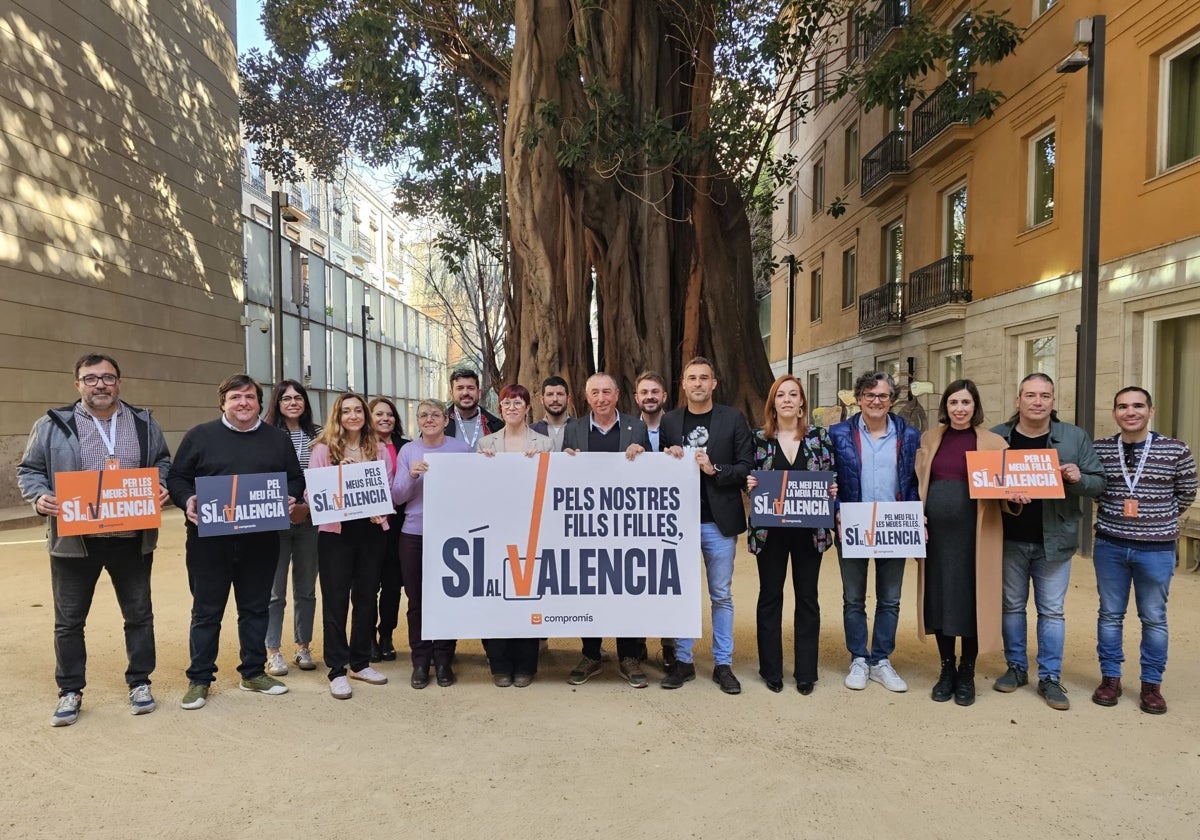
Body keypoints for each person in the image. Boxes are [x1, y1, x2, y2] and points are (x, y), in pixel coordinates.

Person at [18, 353, 171, 726]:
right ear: (78, 385)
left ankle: (140, 682)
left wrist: (162, 485)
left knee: (138, 614)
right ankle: (70, 690)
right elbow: (29, 469)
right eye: (91, 378)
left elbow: (163, 461)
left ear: (119, 382)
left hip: (131, 537)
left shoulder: (143, 422)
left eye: (107, 377)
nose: (99, 384)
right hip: (75, 540)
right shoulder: (52, 424)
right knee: (69, 621)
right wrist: (39, 497)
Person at [167, 374, 304, 710]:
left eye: (250, 397)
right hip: (209, 541)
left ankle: (253, 672)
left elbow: (295, 476)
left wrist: (290, 496)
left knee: (255, 608)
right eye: (235, 397)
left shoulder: (277, 439)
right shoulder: (200, 436)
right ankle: (199, 679)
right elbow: (177, 477)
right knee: (206, 611)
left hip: (260, 539)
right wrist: (187, 500)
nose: (243, 403)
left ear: (259, 403)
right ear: (223, 403)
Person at [990, 372, 1104, 711]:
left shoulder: (1074, 437)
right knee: (1011, 606)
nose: (1037, 402)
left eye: (1044, 396)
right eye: (1030, 395)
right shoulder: (997, 437)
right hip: (1010, 538)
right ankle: (1016, 668)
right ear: (1018, 400)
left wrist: (1078, 478)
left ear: (1053, 401)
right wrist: (1003, 493)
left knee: (1052, 611)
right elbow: (979, 482)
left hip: (1055, 540)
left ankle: (1050, 677)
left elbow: (1099, 483)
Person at [1090, 387, 1195, 714]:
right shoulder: (1101, 450)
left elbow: (1187, 492)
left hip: (1156, 549)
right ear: (1114, 413)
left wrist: (1156, 518)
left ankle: (1152, 684)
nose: (1130, 411)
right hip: (1110, 545)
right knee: (1109, 614)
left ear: (1151, 410)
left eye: (1137, 405)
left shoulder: (1175, 449)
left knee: (1153, 617)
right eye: (1122, 406)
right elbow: (1097, 491)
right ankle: (1111, 678)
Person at [660, 357, 754, 695]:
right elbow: (654, 469)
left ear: (714, 383)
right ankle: (683, 661)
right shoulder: (670, 422)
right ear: (683, 385)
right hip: (679, 523)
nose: (698, 383)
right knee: (682, 593)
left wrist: (715, 471)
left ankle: (723, 664)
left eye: (704, 378)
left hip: (719, 521)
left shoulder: (732, 419)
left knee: (720, 595)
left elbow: (746, 466)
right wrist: (666, 458)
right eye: (691, 378)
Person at [914, 380, 1008, 706]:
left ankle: (966, 671)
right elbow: (916, 484)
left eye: (966, 402)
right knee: (939, 598)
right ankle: (946, 669)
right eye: (954, 402)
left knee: (970, 599)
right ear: (946, 405)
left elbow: (1006, 489)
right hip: (935, 537)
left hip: (975, 535)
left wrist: (1015, 495)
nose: (959, 408)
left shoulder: (995, 443)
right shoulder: (929, 439)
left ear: (975, 406)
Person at [828, 371, 921, 694]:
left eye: (882, 396)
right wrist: (835, 511)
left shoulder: (909, 435)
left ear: (891, 400)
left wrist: (915, 514)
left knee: (890, 599)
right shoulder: (838, 434)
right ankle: (858, 657)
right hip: (853, 524)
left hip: (893, 526)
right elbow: (829, 479)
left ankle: (881, 659)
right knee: (853, 598)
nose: (876, 401)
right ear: (858, 399)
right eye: (869, 395)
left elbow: (915, 481)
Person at [745, 375, 836, 695]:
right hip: (771, 531)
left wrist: (832, 489)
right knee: (770, 597)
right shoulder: (758, 439)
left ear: (801, 402)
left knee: (807, 598)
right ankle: (771, 669)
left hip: (809, 531)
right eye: (780, 394)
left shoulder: (819, 438)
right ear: (773, 403)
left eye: (793, 394)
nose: (786, 399)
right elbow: (747, 473)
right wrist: (750, 484)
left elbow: (829, 475)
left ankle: (806, 672)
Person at [561, 372, 652, 688]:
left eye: (606, 392)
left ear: (617, 395)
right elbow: (563, 478)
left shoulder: (635, 426)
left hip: (627, 526)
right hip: (587, 525)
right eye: (594, 392)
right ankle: (591, 653)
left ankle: (629, 656)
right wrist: (566, 459)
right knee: (588, 588)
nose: (601, 398)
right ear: (587, 398)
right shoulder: (573, 429)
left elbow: (653, 473)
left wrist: (643, 456)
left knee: (626, 587)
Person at [309, 393, 392, 699]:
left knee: (367, 596)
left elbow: (387, 488)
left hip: (371, 531)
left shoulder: (379, 448)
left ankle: (360, 661)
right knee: (336, 600)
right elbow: (312, 495)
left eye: (359, 410)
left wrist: (380, 509)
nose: (354, 415)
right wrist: (337, 476)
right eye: (347, 411)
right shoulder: (322, 450)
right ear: (338, 416)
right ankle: (336, 669)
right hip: (336, 534)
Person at [391, 399, 474, 688]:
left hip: (450, 535)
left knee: (447, 600)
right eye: (423, 415)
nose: (429, 419)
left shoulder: (462, 449)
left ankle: (444, 660)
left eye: (435, 414)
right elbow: (397, 497)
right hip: (414, 533)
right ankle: (420, 660)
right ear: (418, 421)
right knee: (417, 601)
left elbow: (473, 489)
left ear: (446, 418)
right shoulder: (408, 451)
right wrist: (412, 475)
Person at [478, 384, 553, 686]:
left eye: (517, 402)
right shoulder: (486, 443)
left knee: (527, 596)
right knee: (495, 594)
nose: (511, 407)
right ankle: (499, 664)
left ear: (527, 408)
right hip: (495, 530)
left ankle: (526, 665)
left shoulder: (544, 444)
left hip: (532, 529)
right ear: (500, 408)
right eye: (507, 402)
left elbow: (554, 484)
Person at [263, 380, 321, 677]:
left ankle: (303, 646)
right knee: (274, 591)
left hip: (311, 518)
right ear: (277, 403)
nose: (293, 402)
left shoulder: (320, 435)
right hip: (275, 519)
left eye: (298, 397)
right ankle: (273, 651)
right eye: (286, 398)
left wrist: (307, 505)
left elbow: (326, 473)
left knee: (307, 588)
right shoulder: (266, 436)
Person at [636, 370, 675, 668]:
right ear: (636, 398)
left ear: (664, 396)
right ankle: (636, 644)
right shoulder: (626, 429)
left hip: (669, 519)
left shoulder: (677, 428)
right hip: (635, 521)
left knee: (669, 581)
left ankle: (670, 644)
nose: (650, 397)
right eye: (644, 392)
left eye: (655, 392)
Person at [368, 395, 409, 663]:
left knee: (393, 585)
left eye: (390, 414)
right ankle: (367, 636)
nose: (385, 419)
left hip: (398, 523)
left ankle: (386, 635)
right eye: (379, 414)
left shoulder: (406, 447)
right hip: (367, 526)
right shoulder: (359, 446)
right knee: (368, 584)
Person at [444, 368, 501, 450]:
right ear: (451, 393)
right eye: (460, 388)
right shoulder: (438, 425)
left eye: (470, 388)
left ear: (479, 393)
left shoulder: (495, 426)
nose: (465, 393)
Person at [530, 375, 571, 452]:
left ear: (568, 399)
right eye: (550, 394)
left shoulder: (583, 429)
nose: (555, 399)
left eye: (560, 394)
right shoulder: (531, 431)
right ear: (542, 400)